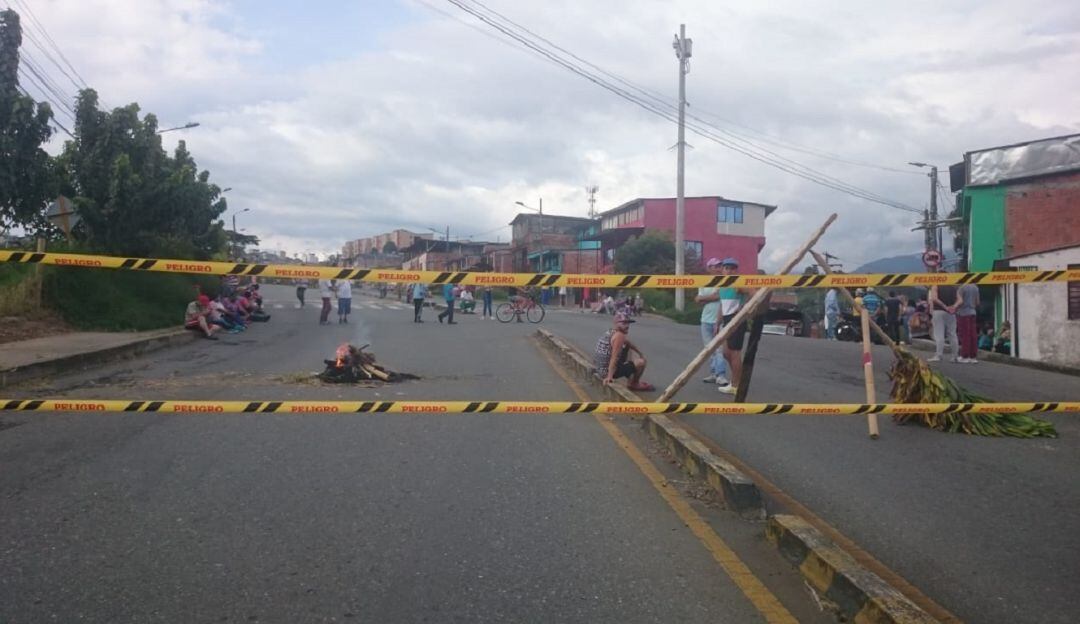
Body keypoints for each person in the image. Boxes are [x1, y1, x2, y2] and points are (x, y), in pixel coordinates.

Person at [717, 258, 751, 395]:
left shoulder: (738, 283)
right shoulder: (722, 285)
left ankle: (737, 386)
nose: (729, 270)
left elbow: (754, 293)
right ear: (722, 270)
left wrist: (743, 308)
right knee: (726, 353)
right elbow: (721, 305)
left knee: (735, 353)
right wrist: (717, 322)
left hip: (736, 319)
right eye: (727, 268)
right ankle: (736, 381)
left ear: (736, 270)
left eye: (732, 268)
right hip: (726, 319)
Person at [594, 312, 652, 391]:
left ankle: (629, 373)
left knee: (627, 347)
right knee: (642, 362)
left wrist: (639, 352)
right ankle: (634, 383)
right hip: (606, 371)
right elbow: (613, 357)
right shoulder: (619, 336)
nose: (627, 326)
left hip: (600, 368)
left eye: (628, 323)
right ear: (616, 323)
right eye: (624, 323)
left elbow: (628, 343)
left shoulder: (611, 332)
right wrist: (609, 377)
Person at [695, 257, 730, 386]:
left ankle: (721, 375)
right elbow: (698, 299)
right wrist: (711, 297)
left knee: (719, 348)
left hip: (719, 319)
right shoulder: (703, 282)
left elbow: (719, 296)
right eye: (715, 266)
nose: (718, 268)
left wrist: (706, 298)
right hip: (705, 319)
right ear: (709, 268)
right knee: (709, 349)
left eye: (720, 266)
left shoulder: (724, 281)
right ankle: (714, 373)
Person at [929, 282, 960, 362]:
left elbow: (934, 298)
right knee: (952, 334)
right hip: (951, 313)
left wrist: (945, 307)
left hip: (938, 311)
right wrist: (954, 307)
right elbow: (960, 300)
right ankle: (955, 356)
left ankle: (939, 355)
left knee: (939, 334)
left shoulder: (935, 285)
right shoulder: (953, 287)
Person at [956, 282, 980, 363]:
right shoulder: (975, 287)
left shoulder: (961, 287)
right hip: (973, 312)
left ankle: (965, 356)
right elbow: (977, 302)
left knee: (965, 335)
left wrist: (954, 307)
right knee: (973, 335)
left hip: (963, 313)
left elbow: (960, 301)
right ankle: (973, 356)